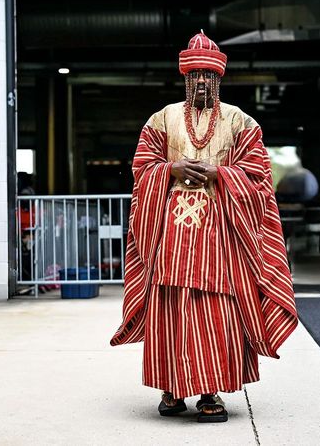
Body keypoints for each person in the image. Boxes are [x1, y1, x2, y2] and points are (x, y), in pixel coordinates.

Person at [109, 30, 298, 423]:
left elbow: (260, 175)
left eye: (207, 76)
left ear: (218, 79)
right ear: (184, 77)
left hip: (220, 231)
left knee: (218, 308)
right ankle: (171, 388)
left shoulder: (239, 121)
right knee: (170, 306)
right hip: (171, 231)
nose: (199, 82)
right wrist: (172, 168)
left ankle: (211, 390)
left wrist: (219, 173)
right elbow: (142, 169)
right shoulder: (161, 118)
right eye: (193, 74)